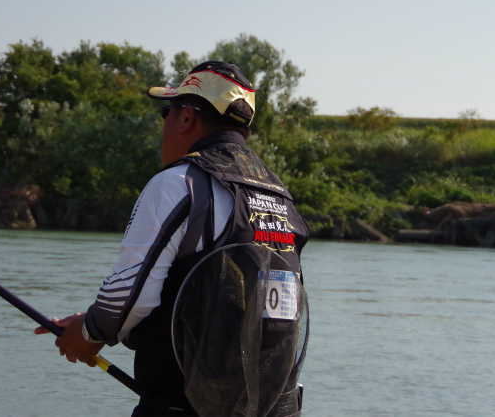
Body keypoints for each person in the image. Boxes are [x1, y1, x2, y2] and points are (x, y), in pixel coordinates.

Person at [35, 61, 309, 416]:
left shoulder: (179, 182)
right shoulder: (280, 196)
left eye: (167, 112)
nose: (164, 124)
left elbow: (130, 295)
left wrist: (89, 332)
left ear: (186, 118)